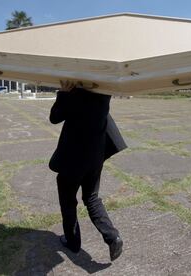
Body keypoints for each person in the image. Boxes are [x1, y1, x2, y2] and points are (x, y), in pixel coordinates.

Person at [49, 80, 127, 262]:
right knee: (91, 197)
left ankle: (72, 241)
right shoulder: (104, 90)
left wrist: (63, 93)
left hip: (74, 156)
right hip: (95, 154)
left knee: (68, 200)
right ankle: (112, 236)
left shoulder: (75, 93)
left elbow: (54, 117)